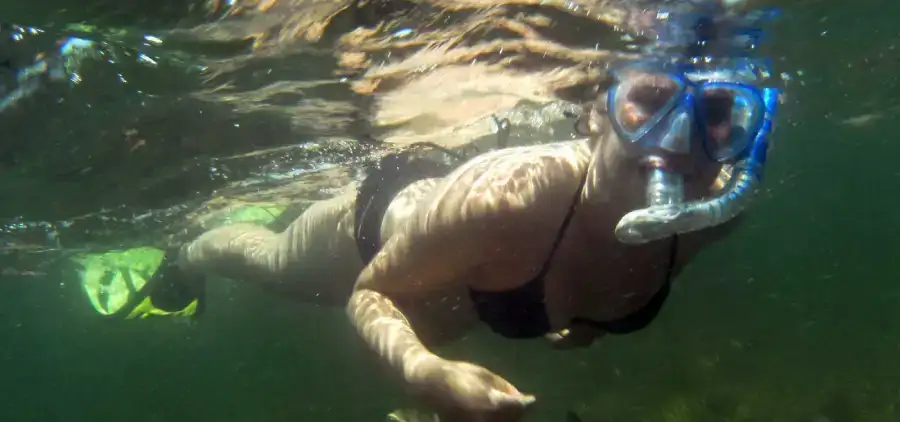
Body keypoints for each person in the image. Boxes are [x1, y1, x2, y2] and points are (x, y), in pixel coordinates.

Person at [70, 0, 781, 421]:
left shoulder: (717, 215)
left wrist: (588, 327)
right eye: (650, 104)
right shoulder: (513, 196)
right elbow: (373, 291)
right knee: (269, 259)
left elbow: (620, 276)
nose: (680, 141)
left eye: (718, 115)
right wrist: (421, 373)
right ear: (594, 114)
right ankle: (185, 260)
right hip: (387, 224)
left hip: (472, 290)